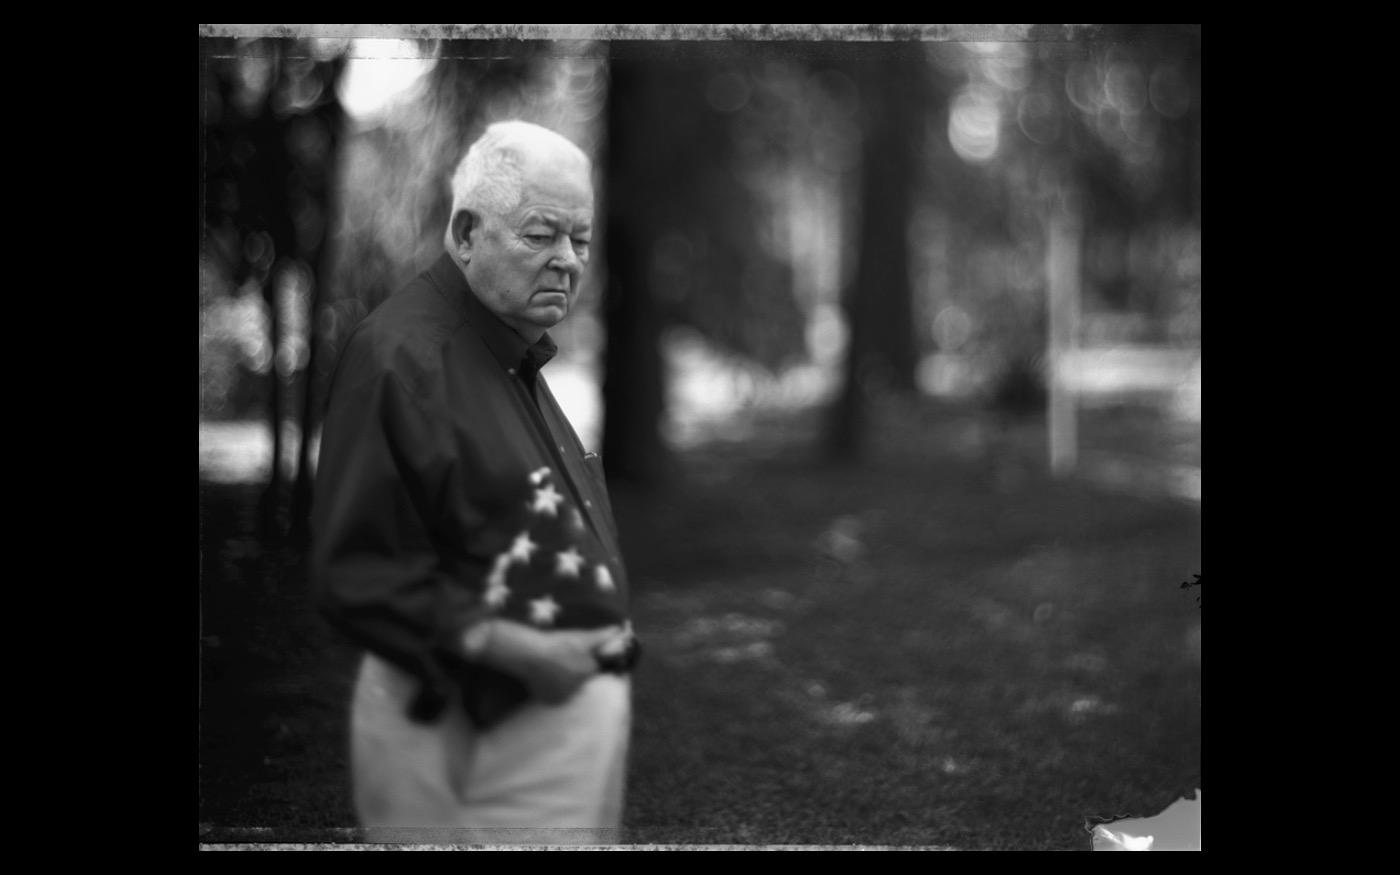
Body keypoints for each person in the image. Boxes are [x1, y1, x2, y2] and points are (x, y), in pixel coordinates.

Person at [310, 120, 639, 846]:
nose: (566, 262)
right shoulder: (401, 357)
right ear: (465, 234)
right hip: (462, 724)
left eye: (579, 241)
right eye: (540, 235)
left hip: (537, 728)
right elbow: (360, 576)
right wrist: (529, 652)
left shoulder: (507, 351)